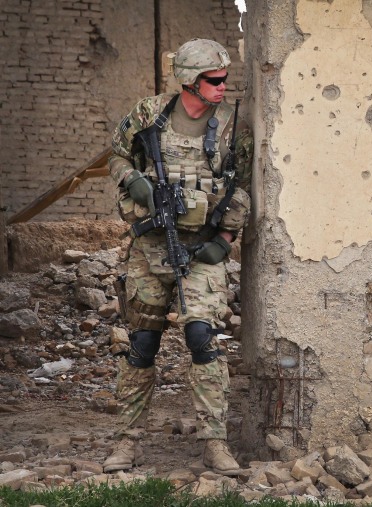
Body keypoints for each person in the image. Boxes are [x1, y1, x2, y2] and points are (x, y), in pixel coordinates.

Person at [103, 38, 253, 475]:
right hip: (151, 248)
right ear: (190, 81)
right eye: (215, 80)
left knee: (202, 339)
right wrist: (132, 178)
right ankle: (126, 443)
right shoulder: (149, 115)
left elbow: (242, 187)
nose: (224, 86)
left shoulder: (229, 126)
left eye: (225, 78)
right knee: (142, 343)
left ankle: (215, 444)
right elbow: (116, 154)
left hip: (203, 249)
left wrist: (225, 239)